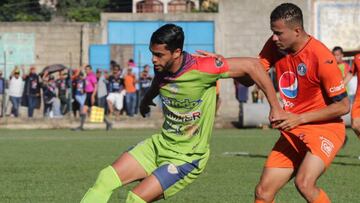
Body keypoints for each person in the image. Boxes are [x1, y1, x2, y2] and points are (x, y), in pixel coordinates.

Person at [80, 24, 284, 203]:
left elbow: (253, 65)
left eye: (159, 55)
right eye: (152, 53)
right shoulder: (162, 67)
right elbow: (157, 80)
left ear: (177, 53)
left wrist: (275, 107)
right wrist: (146, 100)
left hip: (186, 157)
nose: (153, 59)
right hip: (159, 145)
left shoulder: (204, 67)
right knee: (105, 178)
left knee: (135, 199)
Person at [253, 3, 349, 203]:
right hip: (294, 129)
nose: (273, 38)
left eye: (278, 33)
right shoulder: (275, 46)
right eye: (273, 32)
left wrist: (299, 118)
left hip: (325, 129)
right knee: (263, 192)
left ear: (297, 31)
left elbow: (343, 106)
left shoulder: (321, 57)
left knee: (304, 183)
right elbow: (253, 72)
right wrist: (222, 66)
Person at [344, 53, 360, 138]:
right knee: (355, 125)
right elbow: (351, 73)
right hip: (358, 98)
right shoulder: (357, 57)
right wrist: (341, 86)